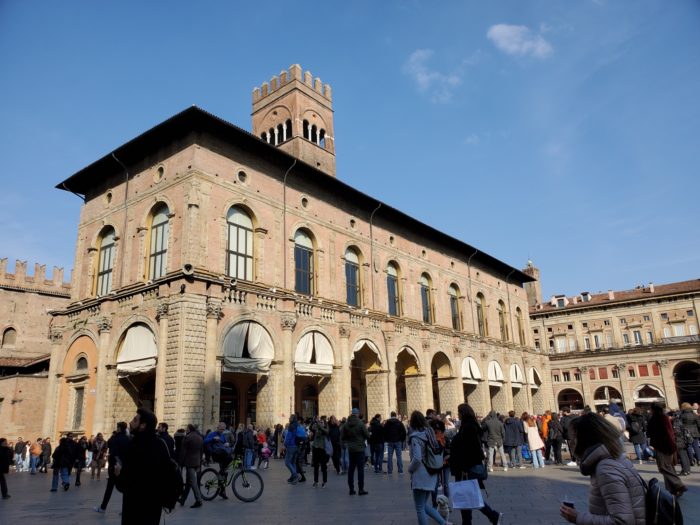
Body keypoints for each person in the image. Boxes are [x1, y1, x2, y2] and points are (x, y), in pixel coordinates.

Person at [559, 412, 645, 524]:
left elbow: (622, 521)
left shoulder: (606, 469)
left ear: (584, 439)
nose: (571, 444)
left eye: (573, 438)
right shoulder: (614, 458)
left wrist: (577, 517)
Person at [115, 407, 172, 525]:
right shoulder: (160, 444)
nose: (130, 423)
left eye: (135, 420)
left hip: (134, 507)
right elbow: (167, 474)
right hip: (154, 507)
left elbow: (124, 485)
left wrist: (118, 473)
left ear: (143, 425)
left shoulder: (132, 447)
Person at [449, 403, 503, 525]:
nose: (458, 414)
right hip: (467, 466)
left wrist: (464, 467)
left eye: (459, 412)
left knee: (467, 495)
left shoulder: (469, 427)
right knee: (468, 495)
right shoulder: (469, 425)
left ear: (463, 413)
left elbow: (470, 449)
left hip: (467, 467)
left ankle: (491, 515)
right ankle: (488, 517)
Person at [407, 411, 451, 525]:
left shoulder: (416, 437)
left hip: (421, 475)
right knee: (423, 505)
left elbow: (417, 458)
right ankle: (443, 522)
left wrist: (410, 469)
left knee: (419, 508)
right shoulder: (430, 434)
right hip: (432, 472)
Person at [647, 403, 687, 497]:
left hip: (663, 446)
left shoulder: (657, 418)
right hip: (666, 445)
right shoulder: (663, 417)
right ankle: (672, 489)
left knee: (663, 467)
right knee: (668, 466)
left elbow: (666, 433)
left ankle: (678, 485)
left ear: (653, 410)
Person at [94, 422, 130, 514]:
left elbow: (111, 449)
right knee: (126, 490)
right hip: (124, 467)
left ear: (118, 428)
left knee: (109, 488)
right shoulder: (128, 439)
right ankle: (126, 510)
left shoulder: (115, 439)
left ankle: (103, 508)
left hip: (114, 467)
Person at [341, 408, 369, 495]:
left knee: (351, 469)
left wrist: (349, 441)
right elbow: (367, 435)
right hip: (360, 449)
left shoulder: (346, 424)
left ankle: (351, 489)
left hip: (351, 449)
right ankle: (361, 489)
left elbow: (342, 437)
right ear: (357, 414)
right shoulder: (361, 424)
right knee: (360, 470)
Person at [178, 424, 204, 508]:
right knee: (189, 481)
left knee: (193, 482)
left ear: (189, 429)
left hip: (189, 462)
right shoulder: (199, 437)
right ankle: (183, 499)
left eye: (187, 429)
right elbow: (201, 451)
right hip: (196, 461)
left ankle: (198, 500)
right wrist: (199, 464)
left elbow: (183, 452)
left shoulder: (187, 437)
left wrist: (180, 463)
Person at [310, 416, 329, 487]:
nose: (321, 422)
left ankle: (324, 481)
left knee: (323, 466)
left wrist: (321, 427)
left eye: (322, 422)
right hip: (316, 447)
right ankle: (316, 481)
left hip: (323, 448)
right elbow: (311, 428)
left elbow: (327, 432)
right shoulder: (317, 427)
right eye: (320, 421)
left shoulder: (326, 428)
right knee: (316, 465)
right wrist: (315, 422)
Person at [283, 416, 300, 484]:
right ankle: (293, 477)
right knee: (293, 462)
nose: (289, 418)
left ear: (292, 419)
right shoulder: (298, 425)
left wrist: (285, 444)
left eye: (290, 418)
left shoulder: (291, 426)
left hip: (291, 446)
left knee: (287, 462)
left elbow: (289, 436)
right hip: (297, 446)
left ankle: (295, 475)